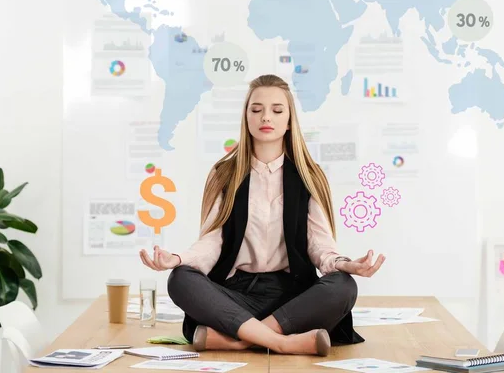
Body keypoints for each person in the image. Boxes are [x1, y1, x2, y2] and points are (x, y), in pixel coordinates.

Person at [139, 74, 385, 357]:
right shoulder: (225, 174)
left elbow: (320, 247)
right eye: (256, 110)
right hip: (236, 296)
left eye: (277, 110)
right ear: (246, 118)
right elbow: (212, 242)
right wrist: (178, 259)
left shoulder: (310, 175)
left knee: (342, 285)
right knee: (180, 278)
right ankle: (282, 342)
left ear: (290, 120)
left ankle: (240, 340)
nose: (266, 117)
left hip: (292, 300)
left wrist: (345, 264)